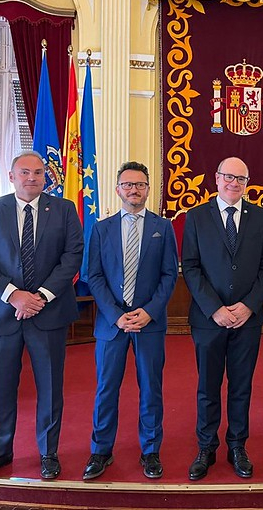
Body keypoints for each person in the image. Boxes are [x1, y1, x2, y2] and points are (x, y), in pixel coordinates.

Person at [0, 151, 83, 480]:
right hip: (2, 313)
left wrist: (41, 296)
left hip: (49, 312)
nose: (32, 177)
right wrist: (13, 295)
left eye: (38, 172)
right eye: (25, 172)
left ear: (45, 176)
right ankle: (1, 450)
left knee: (50, 386)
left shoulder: (63, 209)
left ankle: (48, 452)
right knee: (1, 387)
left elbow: (72, 255)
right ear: (12, 176)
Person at [181, 157, 263, 480]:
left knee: (241, 387)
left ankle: (238, 445)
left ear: (247, 183)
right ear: (216, 178)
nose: (234, 183)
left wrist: (249, 305)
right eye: (228, 177)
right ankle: (206, 447)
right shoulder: (195, 217)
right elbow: (191, 267)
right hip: (209, 320)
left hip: (247, 319)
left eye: (240, 178)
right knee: (208, 387)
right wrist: (215, 308)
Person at [82, 162, 178, 480]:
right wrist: (115, 315)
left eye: (140, 184)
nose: (133, 190)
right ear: (118, 189)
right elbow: (93, 275)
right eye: (127, 184)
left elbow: (169, 275)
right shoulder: (101, 228)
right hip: (112, 324)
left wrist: (149, 311)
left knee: (151, 388)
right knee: (106, 388)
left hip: (149, 323)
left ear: (148, 189)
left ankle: (150, 451)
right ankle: (101, 451)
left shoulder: (163, 228)